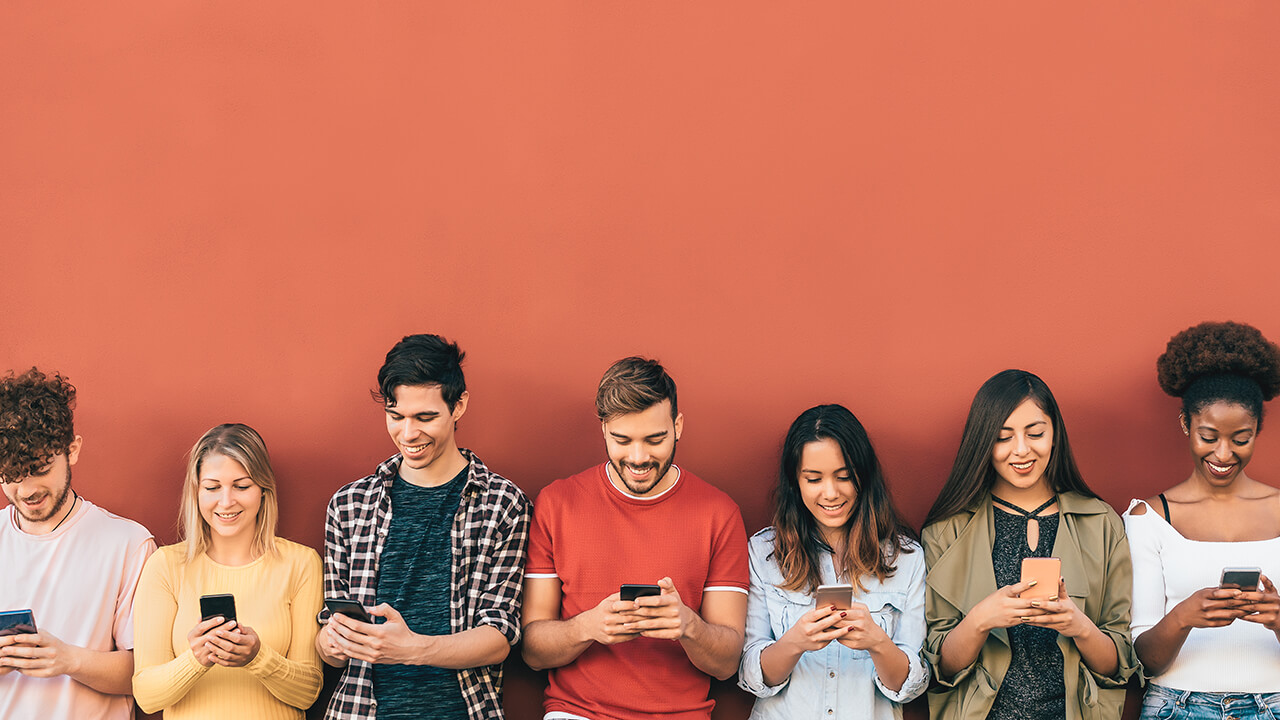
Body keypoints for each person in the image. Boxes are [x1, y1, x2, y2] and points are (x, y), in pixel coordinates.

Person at [521, 356, 750, 720]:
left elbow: (726, 664)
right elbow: (533, 652)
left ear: (678, 426)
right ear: (604, 430)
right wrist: (587, 627)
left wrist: (688, 626)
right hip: (578, 713)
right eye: (622, 440)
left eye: (654, 439)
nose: (638, 457)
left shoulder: (719, 513)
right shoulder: (557, 503)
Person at [316, 334, 531, 720]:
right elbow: (328, 637)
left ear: (459, 405)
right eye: (396, 416)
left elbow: (499, 636)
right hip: (360, 711)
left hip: (462, 710)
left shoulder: (504, 504)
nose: (408, 434)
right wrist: (331, 643)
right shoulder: (348, 505)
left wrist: (412, 648)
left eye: (425, 417)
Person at [922, 369, 1137, 720]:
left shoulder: (1101, 524)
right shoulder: (947, 531)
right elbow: (940, 668)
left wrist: (1078, 626)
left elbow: (1118, 666)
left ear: (1055, 434)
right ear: (983, 442)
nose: (1021, 450)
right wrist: (980, 620)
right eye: (1002, 437)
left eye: (1035, 433)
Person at [1124, 321, 1280, 720]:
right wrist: (1183, 618)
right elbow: (1143, 661)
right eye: (1208, 437)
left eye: (1240, 439)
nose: (1224, 454)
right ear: (1185, 426)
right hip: (1176, 707)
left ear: (1258, 430)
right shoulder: (1148, 519)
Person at [738, 404, 928, 719]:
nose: (830, 493)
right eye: (813, 479)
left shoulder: (906, 557)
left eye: (844, 477)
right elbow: (751, 676)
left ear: (863, 477)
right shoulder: (763, 552)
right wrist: (795, 642)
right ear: (795, 483)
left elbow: (908, 687)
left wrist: (877, 642)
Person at [132, 423, 323, 718]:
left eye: (241, 486)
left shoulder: (301, 564)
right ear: (196, 492)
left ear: (263, 490)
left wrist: (258, 657)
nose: (226, 501)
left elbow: (308, 692)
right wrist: (197, 658)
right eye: (212, 487)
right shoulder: (165, 566)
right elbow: (147, 696)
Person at [0, 368, 156, 720]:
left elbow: (147, 675)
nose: (25, 491)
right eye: (10, 475)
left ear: (72, 450)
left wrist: (69, 659)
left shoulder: (128, 543)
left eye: (39, 469)